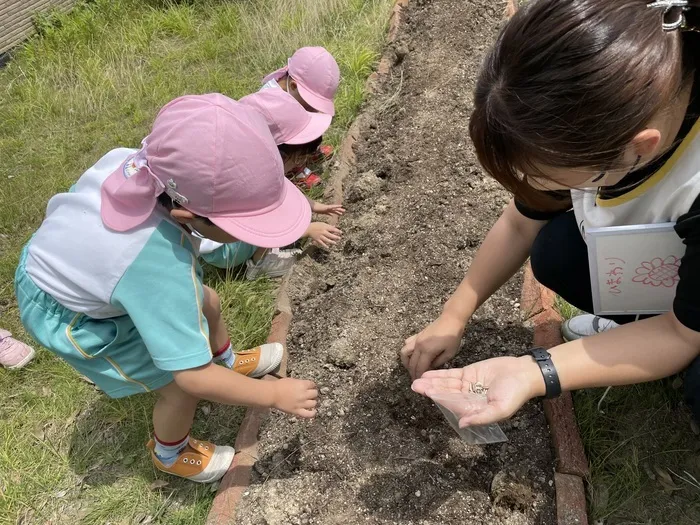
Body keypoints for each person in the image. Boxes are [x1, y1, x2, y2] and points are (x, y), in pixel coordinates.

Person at [404, 0, 700, 427]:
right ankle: (636, 332)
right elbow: (520, 221)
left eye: (564, 180)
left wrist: (534, 371)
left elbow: (680, 332)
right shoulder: (614, 79)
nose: (541, 189)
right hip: (671, 263)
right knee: (557, 251)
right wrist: (453, 315)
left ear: (640, 147)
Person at [15, 94, 318, 482]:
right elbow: (192, 377)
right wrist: (275, 396)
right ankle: (170, 453)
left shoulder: (141, 164)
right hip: (69, 313)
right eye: (245, 223)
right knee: (178, 387)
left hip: (73, 263)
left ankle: (226, 361)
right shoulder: (155, 262)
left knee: (208, 299)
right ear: (187, 215)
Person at [199, 89, 345, 278]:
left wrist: (318, 207)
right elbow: (267, 222)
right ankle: (260, 264)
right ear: (275, 152)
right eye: (297, 159)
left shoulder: (247, 164)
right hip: (226, 248)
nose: (300, 164)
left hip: (217, 236)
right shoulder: (250, 183)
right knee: (272, 213)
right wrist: (307, 230)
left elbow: (286, 189)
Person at [262, 46, 340, 187]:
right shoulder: (272, 108)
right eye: (310, 102)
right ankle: (294, 167)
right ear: (293, 86)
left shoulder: (292, 90)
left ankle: (308, 152)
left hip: (291, 126)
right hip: (278, 145)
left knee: (311, 121)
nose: (313, 107)